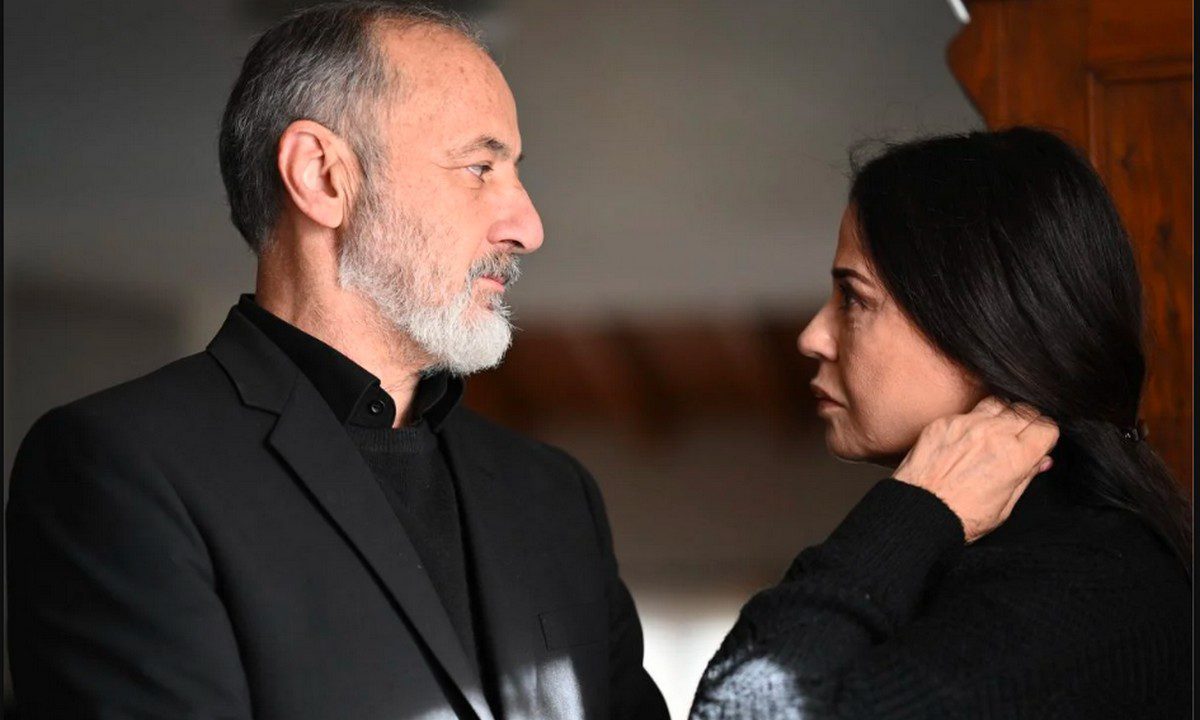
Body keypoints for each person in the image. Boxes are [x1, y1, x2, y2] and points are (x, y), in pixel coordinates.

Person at [6, 3, 668, 718]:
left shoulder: (555, 496)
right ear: (322, 176)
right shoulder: (120, 467)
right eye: (480, 168)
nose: (527, 227)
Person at [690, 127, 1192, 719]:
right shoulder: (1049, 558)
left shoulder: (1083, 588)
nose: (812, 337)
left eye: (854, 298)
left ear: (984, 323)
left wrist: (911, 512)